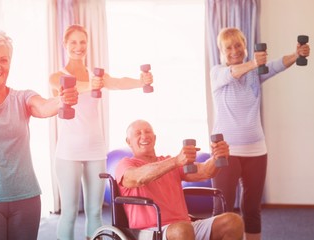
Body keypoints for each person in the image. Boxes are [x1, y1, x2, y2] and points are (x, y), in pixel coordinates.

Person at [0, 31, 78, 240]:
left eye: (3, 60)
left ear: (10, 62)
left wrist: (62, 100)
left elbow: (45, 106)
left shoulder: (22, 97)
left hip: (26, 197)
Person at [49, 24, 153, 240]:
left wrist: (139, 81)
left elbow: (117, 82)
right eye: (74, 42)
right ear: (65, 45)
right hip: (68, 153)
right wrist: (93, 85)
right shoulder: (57, 76)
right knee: (68, 212)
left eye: (83, 42)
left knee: (95, 212)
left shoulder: (94, 75)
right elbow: (70, 87)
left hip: (95, 149)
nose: (79, 47)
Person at [210, 27, 310, 240]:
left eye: (238, 45)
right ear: (221, 51)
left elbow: (276, 65)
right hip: (225, 153)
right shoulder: (217, 73)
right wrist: (255, 63)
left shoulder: (255, 74)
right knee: (223, 207)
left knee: (252, 207)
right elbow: (233, 72)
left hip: (256, 150)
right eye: (229, 47)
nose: (235, 50)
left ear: (245, 47)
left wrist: (296, 55)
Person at [115, 119, 244, 240]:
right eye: (138, 133)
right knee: (181, 230)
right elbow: (138, 178)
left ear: (154, 138)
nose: (144, 136)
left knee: (233, 222)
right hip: (149, 231)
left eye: (148, 132)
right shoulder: (125, 164)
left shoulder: (168, 161)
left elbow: (205, 171)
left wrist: (217, 158)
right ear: (128, 141)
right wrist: (176, 161)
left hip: (185, 226)